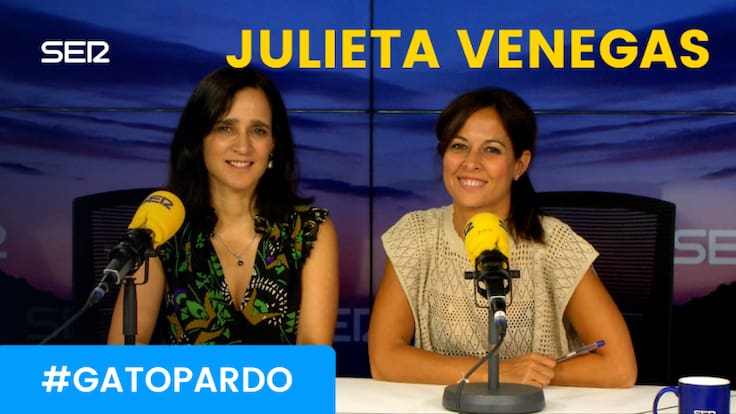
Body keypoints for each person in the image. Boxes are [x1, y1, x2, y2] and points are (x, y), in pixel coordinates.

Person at [367, 87, 637, 388]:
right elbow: (385, 359)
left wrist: (532, 375)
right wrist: (498, 373)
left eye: (491, 149)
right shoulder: (416, 234)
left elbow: (619, 368)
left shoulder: (554, 244)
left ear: (519, 164)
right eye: (459, 146)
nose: (471, 162)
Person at [107, 66, 339, 345]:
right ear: (199, 140)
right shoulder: (163, 228)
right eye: (226, 128)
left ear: (273, 144)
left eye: (258, 130)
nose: (243, 146)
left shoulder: (310, 231)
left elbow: (313, 355)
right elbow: (124, 350)